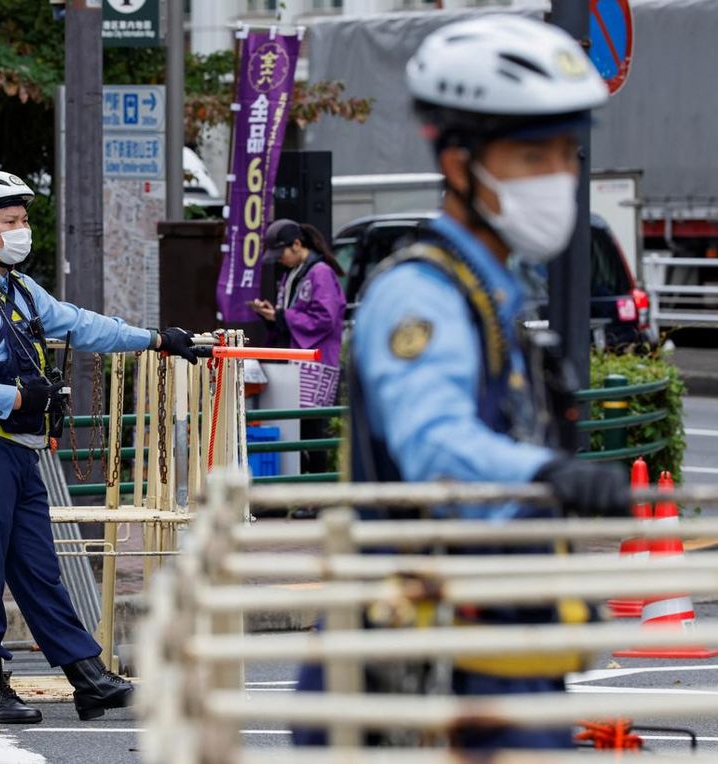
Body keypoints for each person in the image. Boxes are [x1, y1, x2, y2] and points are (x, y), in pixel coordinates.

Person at [294, 16, 631, 750]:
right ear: (457, 163)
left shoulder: (493, 293)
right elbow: (433, 443)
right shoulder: (422, 297)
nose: (558, 177)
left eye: (567, 154)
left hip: (483, 645)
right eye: (531, 155)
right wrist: (548, 472)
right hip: (430, 672)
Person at [0, 170, 196, 725]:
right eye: (9, 222)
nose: (22, 231)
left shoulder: (19, 290)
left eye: (24, 221)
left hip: (18, 451)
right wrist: (16, 395)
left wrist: (156, 338)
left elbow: (82, 325)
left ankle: (87, 677)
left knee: (40, 569)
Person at [249, 219, 346, 472]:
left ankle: (315, 498)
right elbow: (294, 316)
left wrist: (281, 316)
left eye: (281, 253)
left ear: (296, 244)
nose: (280, 260)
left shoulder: (320, 272)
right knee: (298, 430)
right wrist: (274, 316)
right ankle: (308, 496)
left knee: (311, 430)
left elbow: (325, 317)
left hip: (316, 361)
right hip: (297, 360)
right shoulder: (295, 274)